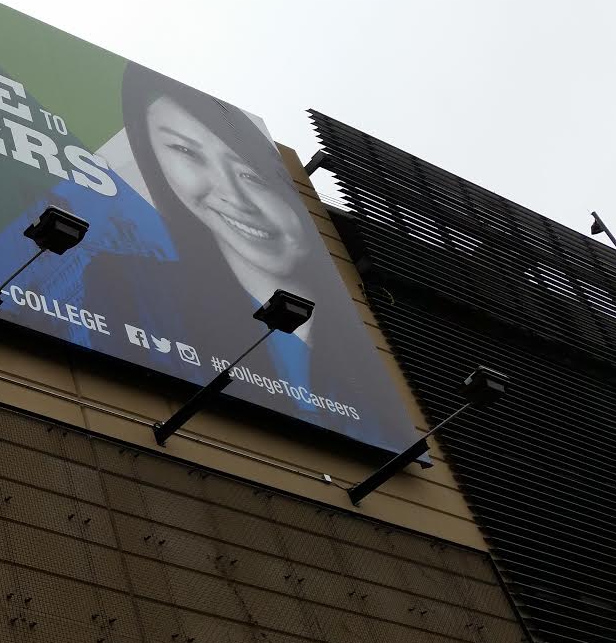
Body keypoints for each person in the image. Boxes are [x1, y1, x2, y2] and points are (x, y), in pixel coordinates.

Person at [85, 63, 405, 445]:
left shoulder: (368, 357)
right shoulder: (132, 288)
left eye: (251, 175)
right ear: (151, 155)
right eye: (186, 151)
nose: (232, 198)